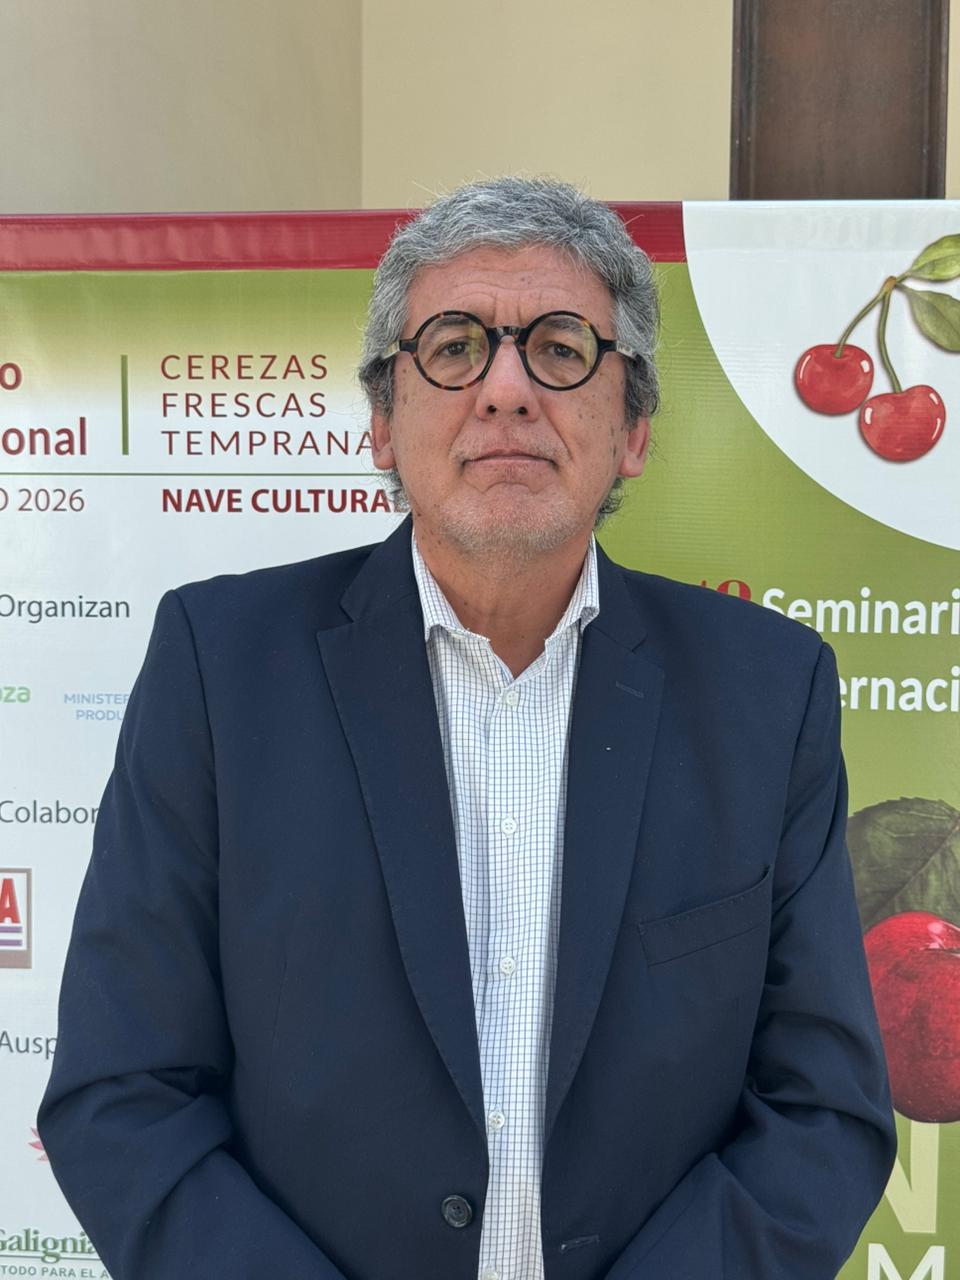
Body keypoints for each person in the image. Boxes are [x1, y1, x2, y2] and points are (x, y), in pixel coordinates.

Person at [39, 177, 896, 1280]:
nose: (505, 390)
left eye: (561, 349)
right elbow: (123, 1091)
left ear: (634, 429)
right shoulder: (219, 665)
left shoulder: (766, 691)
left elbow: (822, 1110)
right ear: (382, 424)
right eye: (453, 348)